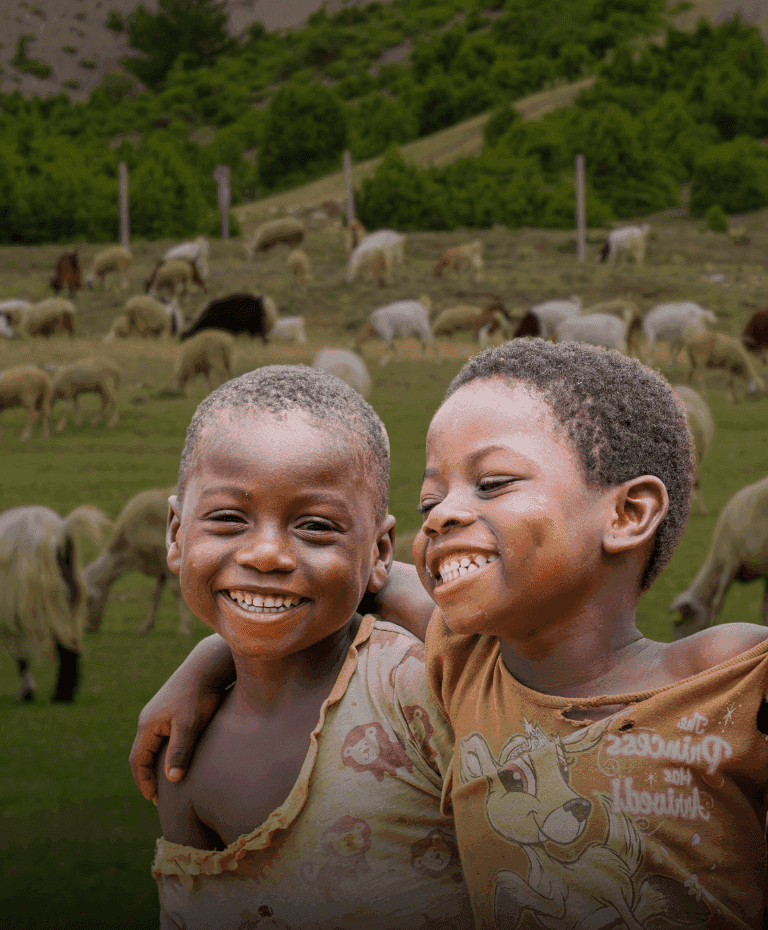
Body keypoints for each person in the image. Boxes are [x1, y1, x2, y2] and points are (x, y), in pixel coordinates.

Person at [132, 341, 768, 930]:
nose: (443, 515)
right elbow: (339, 579)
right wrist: (217, 651)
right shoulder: (468, 672)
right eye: (429, 500)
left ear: (627, 514)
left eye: (492, 484)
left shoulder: (728, 673)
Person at [147, 365, 473, 930]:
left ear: (380, 550)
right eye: (228, 518)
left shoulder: (416, 690)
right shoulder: (181, 748)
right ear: (176, 534)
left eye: (316, 526)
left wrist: (387, 581)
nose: (267, 554)